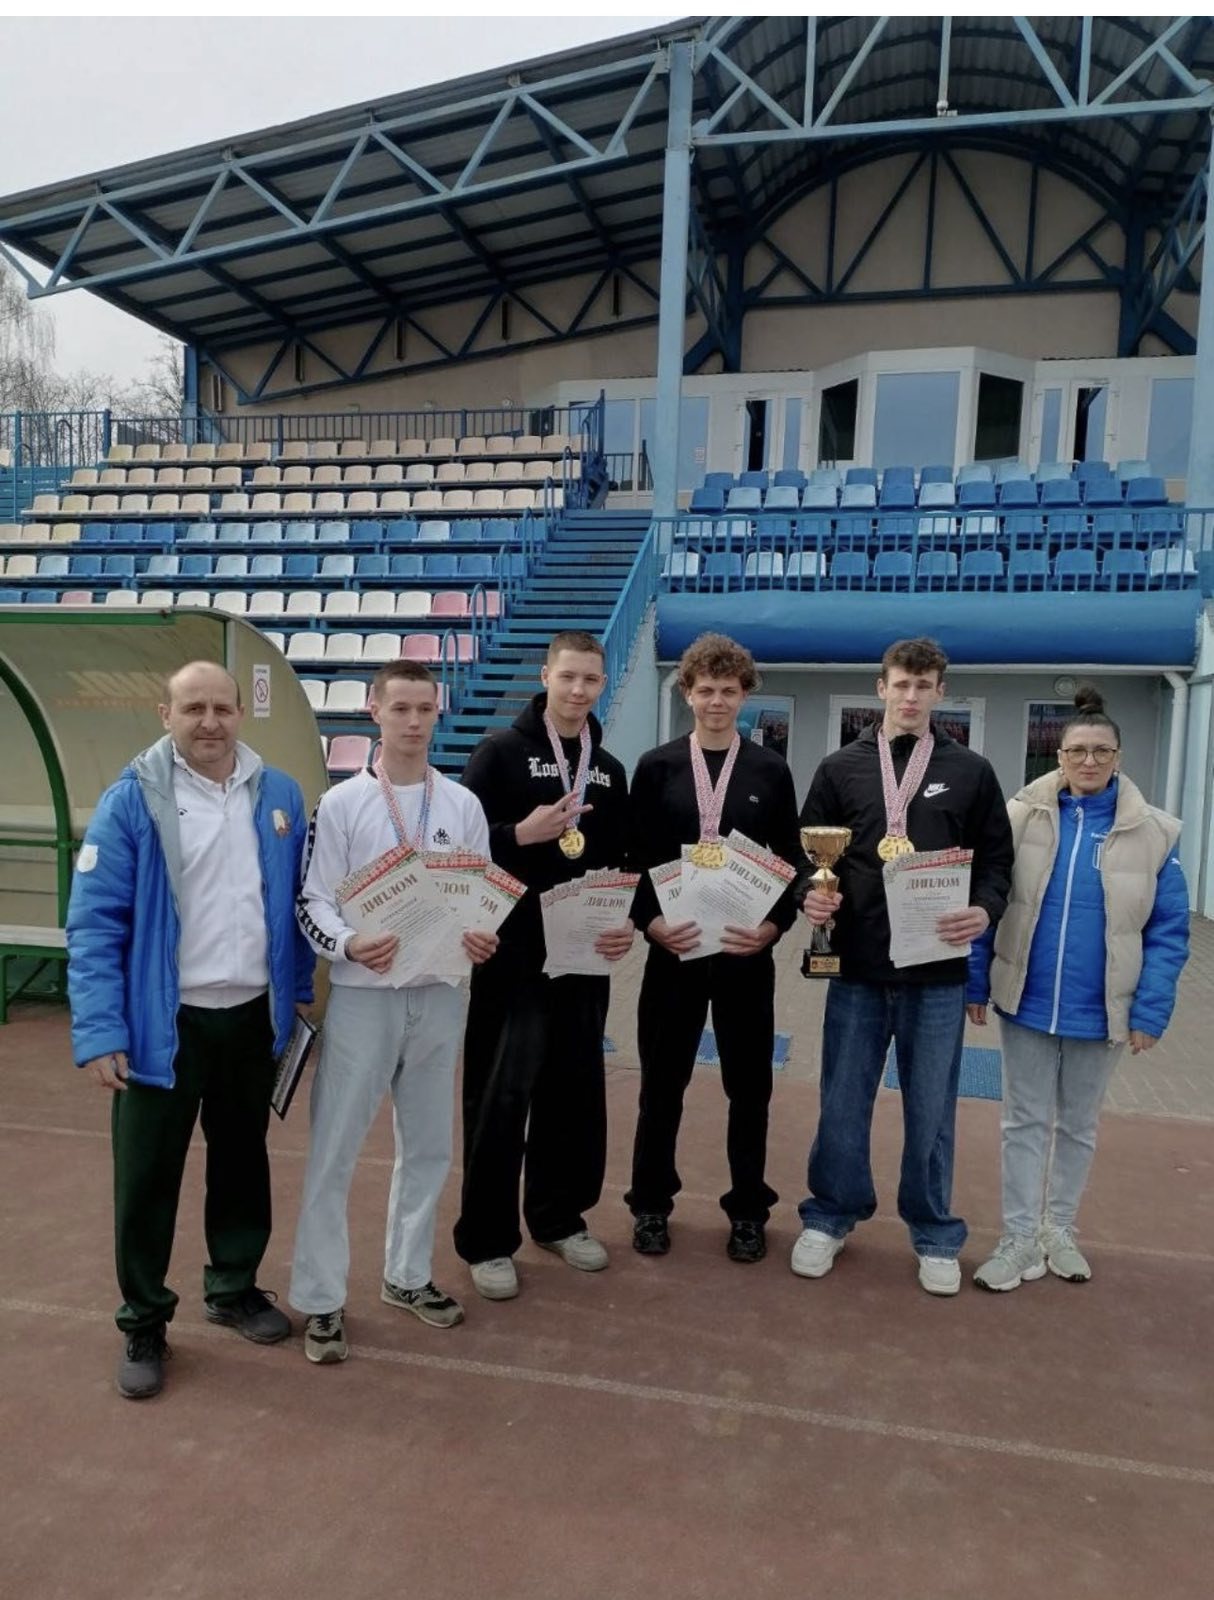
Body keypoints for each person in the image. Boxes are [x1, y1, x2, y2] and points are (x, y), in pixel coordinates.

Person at [66, 661, 314, 1400]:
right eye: (193, 708)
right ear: (165, 714)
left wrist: (296, 995)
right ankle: (144, 1318)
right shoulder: (131, 801)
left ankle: (233, 1286)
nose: (209, 722)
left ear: (241, 713)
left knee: (242, 1161)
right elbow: (94, 924)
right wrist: (100, 1029)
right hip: (161, 1026)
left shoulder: (279, 794)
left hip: (250, 1018)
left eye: (222, 708)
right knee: (147, 1179)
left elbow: (293, 905)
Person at [290, 660, 498, 1363]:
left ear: (439, 712)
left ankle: (407, 1275)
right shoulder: (342, 804)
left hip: (440, 993)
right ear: (373, 710)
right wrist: (349, 943)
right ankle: (321, 1298)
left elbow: (480, 897)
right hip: (364, 997)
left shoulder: (462, 805)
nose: (413, 721)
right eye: (400, 708)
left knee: (430, 1145)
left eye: (424, 708)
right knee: (335, 1150)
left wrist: (482, 935)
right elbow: (313, 900)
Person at [793, 637, 1014, 1295]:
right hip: (857, 968)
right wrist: (810, 894)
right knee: (841, 1100)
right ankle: (830, 1214)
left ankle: (934, 1231)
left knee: (932, 1111)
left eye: (923, 686)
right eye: (901, 684)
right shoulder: (840, 767)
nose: (911, 696)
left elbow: (997, 861)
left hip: (937, 971)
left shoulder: (971, 771)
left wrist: (984, 910)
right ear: (880, 688)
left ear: (940, 692)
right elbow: (807, 853)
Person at [967, 686, 1189, 1290]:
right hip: (1028, 1002)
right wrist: (976, 981)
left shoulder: (1155, 833)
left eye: (1101, 751)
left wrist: (1151, 1011)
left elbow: (1169, 931)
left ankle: (1058, 1229)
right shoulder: (1020, 817)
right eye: (1077, 751)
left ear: (1118, 757)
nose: (1089, 761)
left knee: (1077, 1126)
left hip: (1102, 1010)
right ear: (1059, 757)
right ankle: (1019, 1237)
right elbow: (990, 899)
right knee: (1023, 1122)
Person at [453, 630, 633, 1301]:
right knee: (501, 1098)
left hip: (582, 961)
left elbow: (620, 863)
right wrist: (517, 836)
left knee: (573, 1096)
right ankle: (487, 1239)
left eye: (590, 679)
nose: (578, 690)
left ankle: (558, 1218)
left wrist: (623, 922)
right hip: (514, 960)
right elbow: (462, 851)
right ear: (545, 676)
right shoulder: (499, 753)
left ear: (602, 684)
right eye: (568, 677)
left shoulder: (608, 768)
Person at [626, 633, 801, 1263]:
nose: (717, 701)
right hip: (673, 952)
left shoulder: (770, 770)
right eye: (706, 690)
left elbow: (791, 861)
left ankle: (748, 1211)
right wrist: (649, 923)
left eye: (729, 691)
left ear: (745, 695)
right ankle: (650, 1205)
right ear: (688, 693)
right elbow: (634, 858)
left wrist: (773, 928)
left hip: (743, 954)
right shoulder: (657, 766)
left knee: (749, 1090)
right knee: (661, 1086)